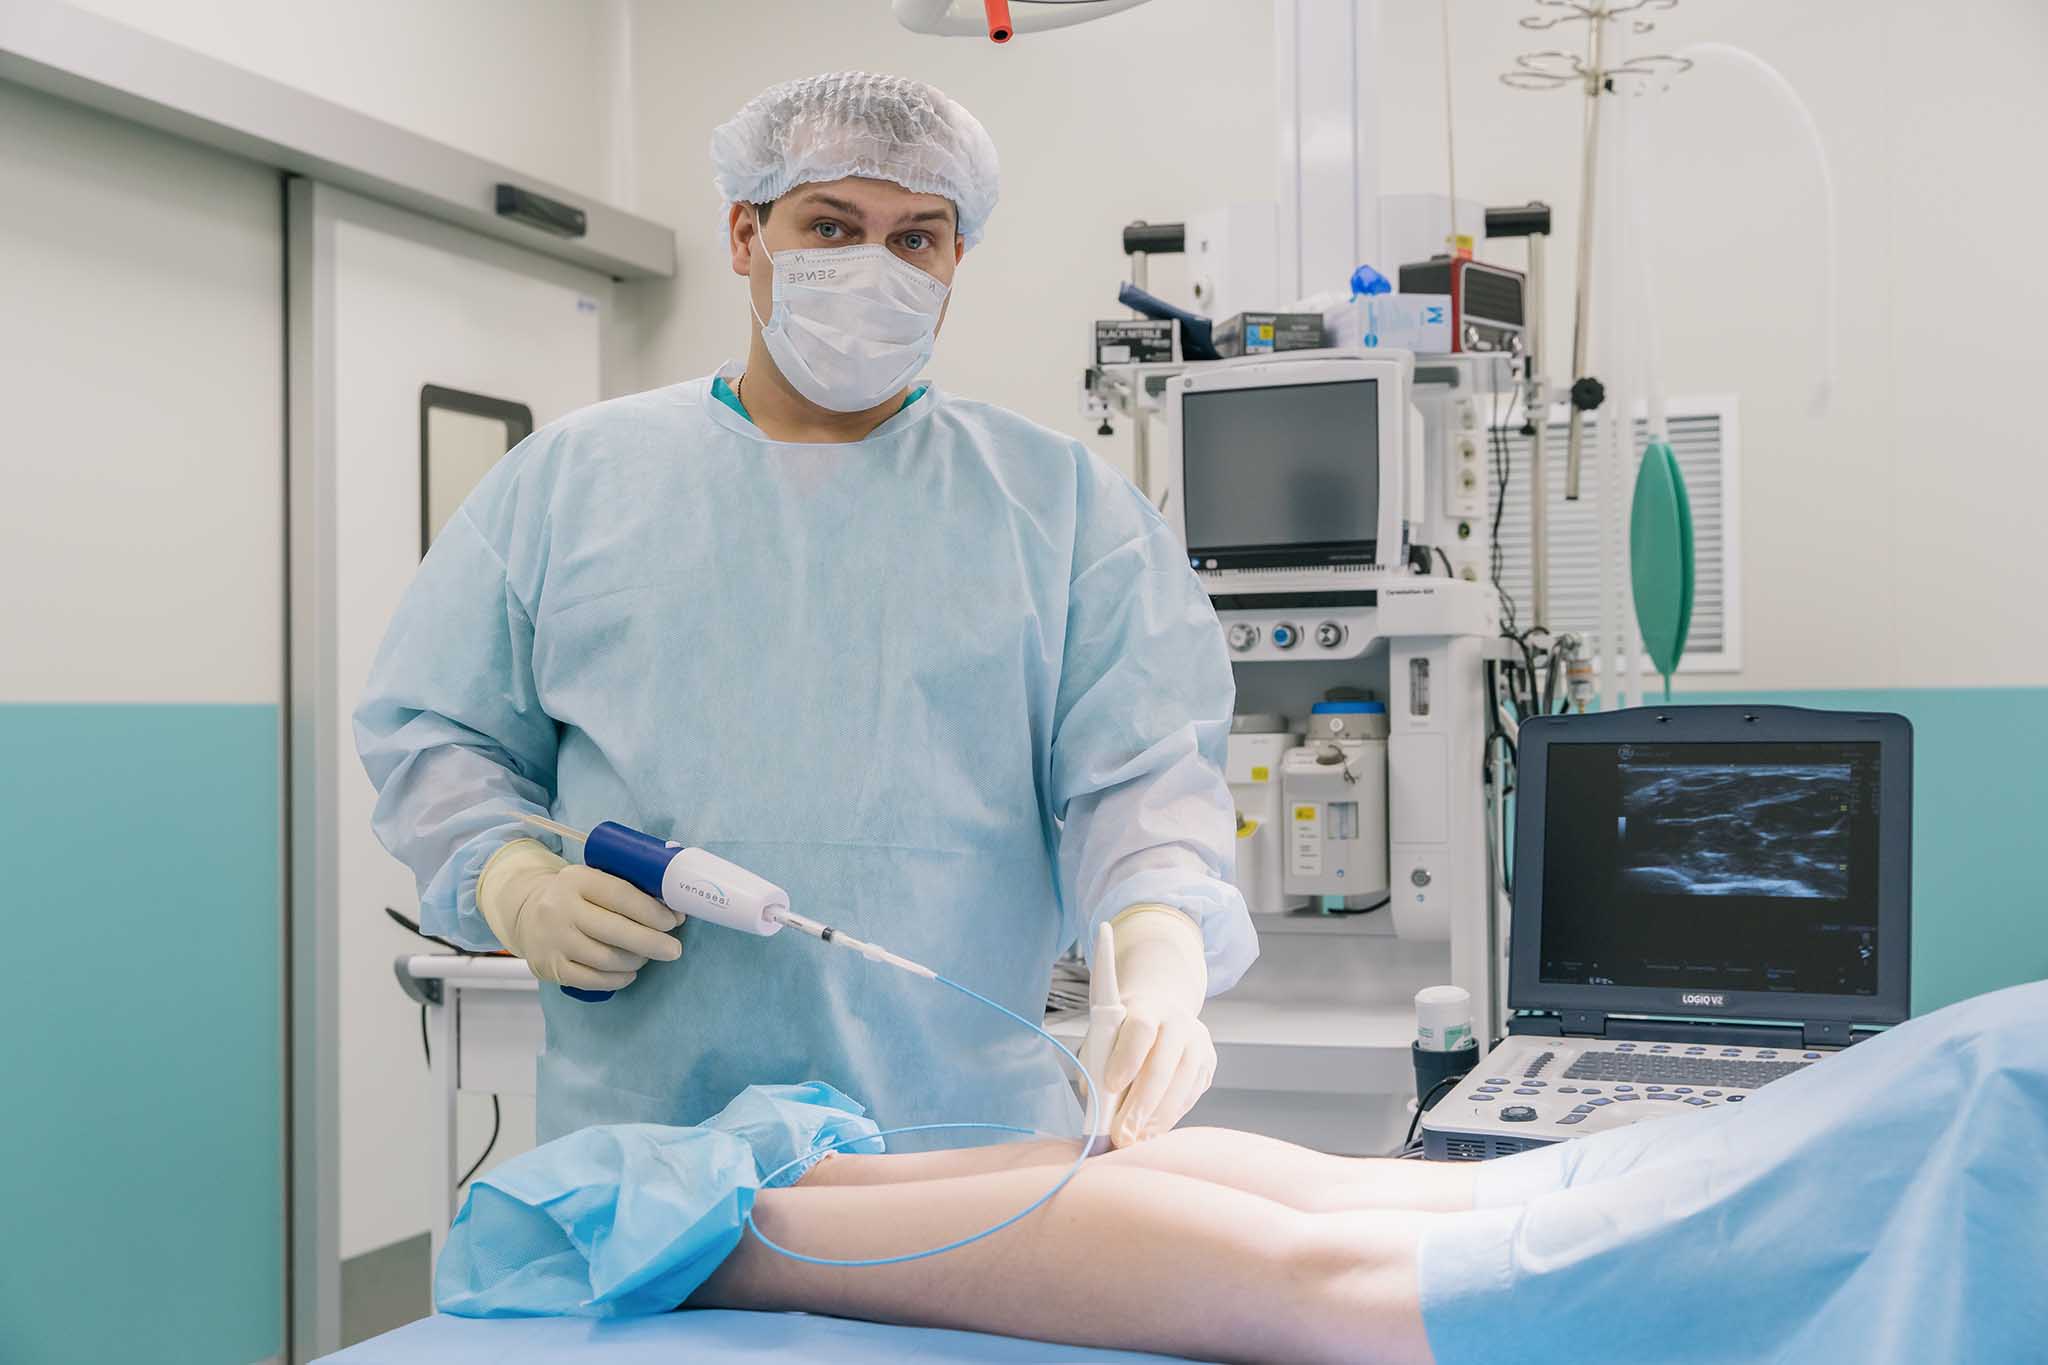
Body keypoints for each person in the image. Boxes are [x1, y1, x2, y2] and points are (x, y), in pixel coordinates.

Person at [354, 70, 1256, 1148]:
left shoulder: (1060, 509)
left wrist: (1157, 953)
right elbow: (439, 733)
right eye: (830, 226)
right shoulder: (576, 481)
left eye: (915, 238)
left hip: (960, 1144)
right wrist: (512, 880)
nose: (874, 267)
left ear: (955, 261)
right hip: (649, 1147)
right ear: (746, 235)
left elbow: (1146, 784)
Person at [440, 979, 2048, 1365]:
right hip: (1992, 1127)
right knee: (1348, 1262)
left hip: (1980, 1087)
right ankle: (740, 1229)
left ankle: (767, 1192)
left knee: (1375, 1205)